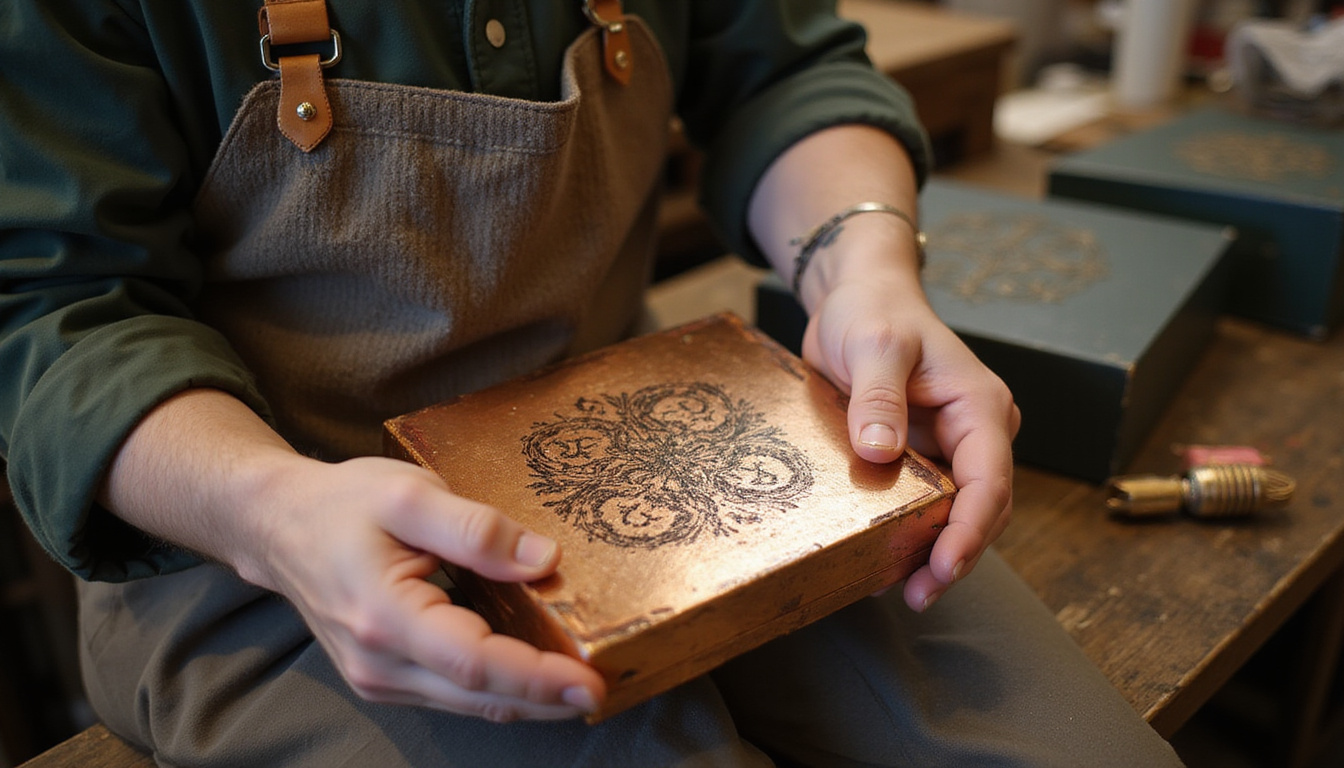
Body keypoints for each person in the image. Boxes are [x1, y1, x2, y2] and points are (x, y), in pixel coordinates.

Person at [0, 1, 1184, 765]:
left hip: (676, 436)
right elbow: (55, 307)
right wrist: (272, 512)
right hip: (269, 533)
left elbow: (782, 71)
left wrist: (865, 269)